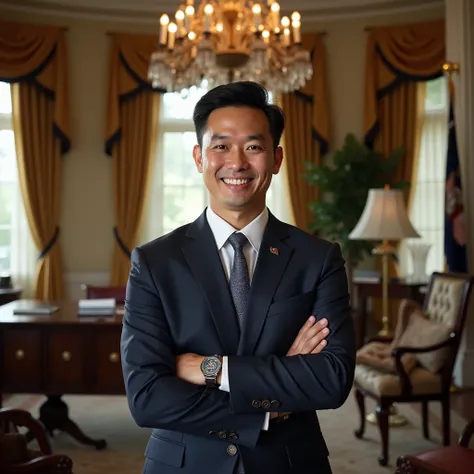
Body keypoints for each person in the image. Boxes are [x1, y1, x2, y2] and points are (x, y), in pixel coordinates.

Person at [120, 81, 356, 474]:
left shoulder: (318, 259)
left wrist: (210, 369)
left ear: (277, 158)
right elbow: (147, 398)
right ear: (199, 157)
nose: (237, 163)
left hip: (290, 462)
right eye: (221, 146)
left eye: (253, 146)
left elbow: (331, 380)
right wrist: (268, 406)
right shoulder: (154, 262)